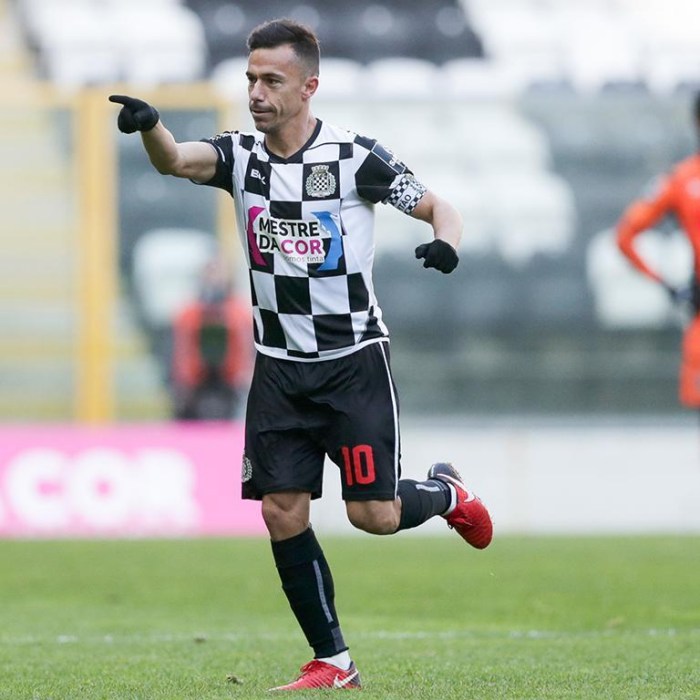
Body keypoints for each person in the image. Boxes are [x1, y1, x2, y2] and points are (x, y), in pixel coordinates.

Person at [109, 18, 492, 691]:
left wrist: (446, 242)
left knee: (374, 516)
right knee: (280, 510)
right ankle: (334, 661)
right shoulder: (240, 157)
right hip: (278, 368)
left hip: (352, 364)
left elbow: (440, 207)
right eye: (250, 79)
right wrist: (151, 127)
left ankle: (445, 492)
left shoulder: (353, 158)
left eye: (271, 81)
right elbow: (174, 161)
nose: (256, 93)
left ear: (309, 86)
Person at [616, 92, 700, 408]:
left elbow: (625, 236)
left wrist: (668, 285)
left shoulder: (682, 179)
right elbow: (625, 237)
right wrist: (669, 285)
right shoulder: (681, 180)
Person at [171, 259, 252, 420]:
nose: (214, 280)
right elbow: (182, 348)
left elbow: (245, 347)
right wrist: (183, 380)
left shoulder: (238, 312)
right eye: (210, 274)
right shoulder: (190, 313)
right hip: (196, 381)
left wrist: (243, 376)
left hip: (230, 381)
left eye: (218, 275)